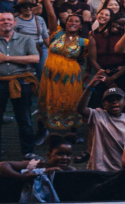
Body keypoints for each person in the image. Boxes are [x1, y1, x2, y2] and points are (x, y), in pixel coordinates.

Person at [0, 10, 42, 159]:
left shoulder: (26, 39)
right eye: (2, 20)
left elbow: (35, 58)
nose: (6, 22)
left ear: (15, 23)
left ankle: (28, 152)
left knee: (25, 119)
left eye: (9, 19)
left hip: (20, 82)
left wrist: (6, 58)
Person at [38, 8, 89, 138]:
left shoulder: (84, 42)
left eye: (76, 21)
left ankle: (72, 133)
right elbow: (51, 14)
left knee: (70, 101)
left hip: (70, 78)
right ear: (65, 23)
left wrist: (87, 73)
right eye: (70, 20)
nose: (72, 23)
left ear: (81, 25)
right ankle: (44, 131)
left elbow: (89, 59)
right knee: (49, 100)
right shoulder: (57, 34)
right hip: (50, 77)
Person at [77, 80, 125, 172]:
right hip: (99, 169)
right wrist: (90, 86)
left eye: (118, 99)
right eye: (110, 100)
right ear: (104, 105)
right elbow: (80, 109)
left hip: (122, 169)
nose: (114, 102)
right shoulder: (98, 115)